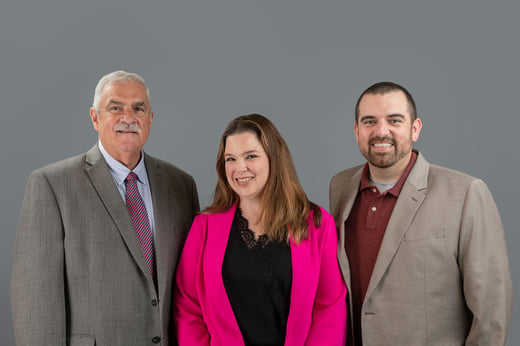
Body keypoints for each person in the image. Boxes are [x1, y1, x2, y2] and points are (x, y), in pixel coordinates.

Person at [11, 70, 200, 345]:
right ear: (95, 118)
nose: (128, 117)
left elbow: (192, 290)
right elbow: (34, 301)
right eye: (115, 108)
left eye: (138, 108)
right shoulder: (52, 185)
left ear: (150, 119)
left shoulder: (181, 185)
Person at [330, 81, 513, 345]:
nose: (381, 131)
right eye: (370, 122)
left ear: (415, 129)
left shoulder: (466, 192)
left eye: (394, 120)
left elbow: (492, 308)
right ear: (357, 131)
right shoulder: (340, 187)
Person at [174, 114, 347, 346]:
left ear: (274, 159)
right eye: (230, 159)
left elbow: (330, 306)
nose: (239, 168)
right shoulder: (203, 228)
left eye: (251, 156)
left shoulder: (317, 224)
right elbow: (188, 307)